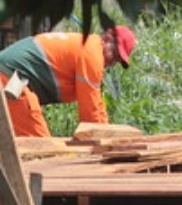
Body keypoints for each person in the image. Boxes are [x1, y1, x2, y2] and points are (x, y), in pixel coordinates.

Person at [0, 26, 137, 137]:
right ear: (107, 39)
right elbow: (90, 113)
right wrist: (104, 141)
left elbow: (96, 104)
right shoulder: (91, 55)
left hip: (10, 76)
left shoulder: (88, 45)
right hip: (12, 80)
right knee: (41, 149)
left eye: (118, 61)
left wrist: (108, 132)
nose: (113, 62)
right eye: (115, 55)